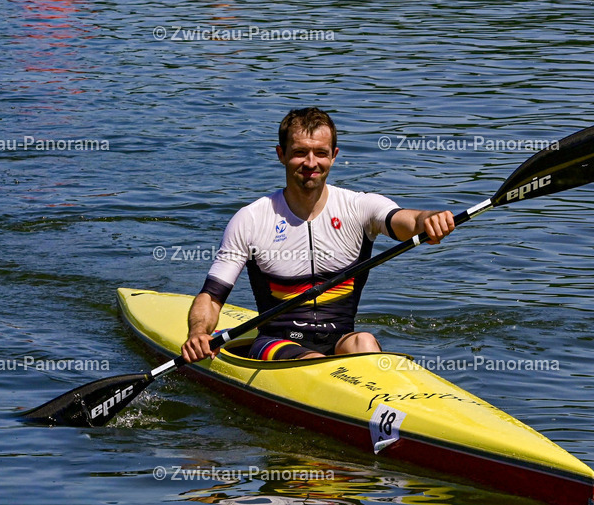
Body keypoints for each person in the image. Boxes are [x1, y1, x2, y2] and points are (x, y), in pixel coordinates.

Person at [181, 107, 455, 363]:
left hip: (340, 340)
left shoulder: (359, 207)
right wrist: (198, 333)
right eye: (300, 152)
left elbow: (404, 220)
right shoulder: (251, 219)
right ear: (281, 154)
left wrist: (428, 220)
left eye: (321, 153)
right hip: (275, 343)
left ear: (334, 155)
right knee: (314, 362)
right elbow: (212, 297)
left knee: (365, 341)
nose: (311, 163)